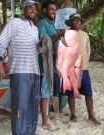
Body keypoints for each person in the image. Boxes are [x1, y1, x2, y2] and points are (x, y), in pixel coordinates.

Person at [0, 0, 41, 135]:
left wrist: (40, 45)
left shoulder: (35, 28)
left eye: (35, 8)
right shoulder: (14, 23)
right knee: (20, 105)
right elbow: (1, 42)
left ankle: (30, 132)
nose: (33, 10)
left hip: (35, 71)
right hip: (19, 71)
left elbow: (36, 50)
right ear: (23, 9)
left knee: (33, 105)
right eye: (30, 8)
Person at [64, 13, 101, 125]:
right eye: (75, 20)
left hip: (83, 69)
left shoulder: (85, 35)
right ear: (70, 22)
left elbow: (88, 50)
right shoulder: (65, 34)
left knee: (88, 93)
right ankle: (73, 114)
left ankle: (91, 116)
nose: (78, 22)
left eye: (79, 21)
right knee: (71, 93)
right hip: (70, 70)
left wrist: (84, 63)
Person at [37, 0, 68, 131]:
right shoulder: (43, 24)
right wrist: (59, 34)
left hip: (55, 65)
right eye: (51, 9)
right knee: (46, 92)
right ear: (44, 10)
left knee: (54, 90)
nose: (54, 12)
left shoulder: (53, 24)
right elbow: (44, 44)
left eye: (55, 10)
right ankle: (45, 121)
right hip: (45, 66)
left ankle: (57, 114)